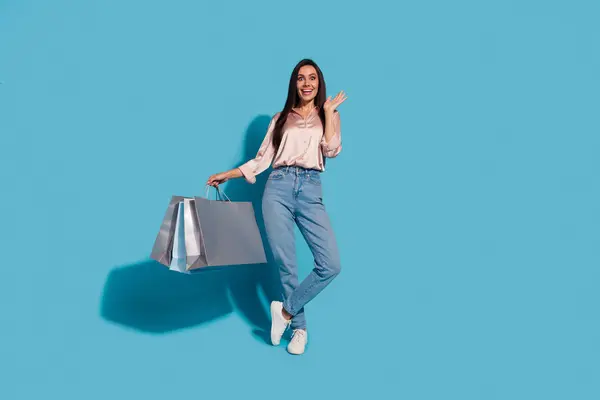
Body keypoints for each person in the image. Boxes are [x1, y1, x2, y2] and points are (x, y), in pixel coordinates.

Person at [207, 59, 346, 355]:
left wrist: (331, 114)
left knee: (331, 263)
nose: (306, 83)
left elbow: (332, 151)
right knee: (286, 263)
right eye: (300, 78)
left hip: (310, 189)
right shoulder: (281, 118)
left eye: (312, 78)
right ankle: (299, 330)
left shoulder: (328, 115)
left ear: (319, 83)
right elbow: (261, 159)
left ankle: (284, 312)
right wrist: (227, 174)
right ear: (294, 84)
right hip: (278, 188)